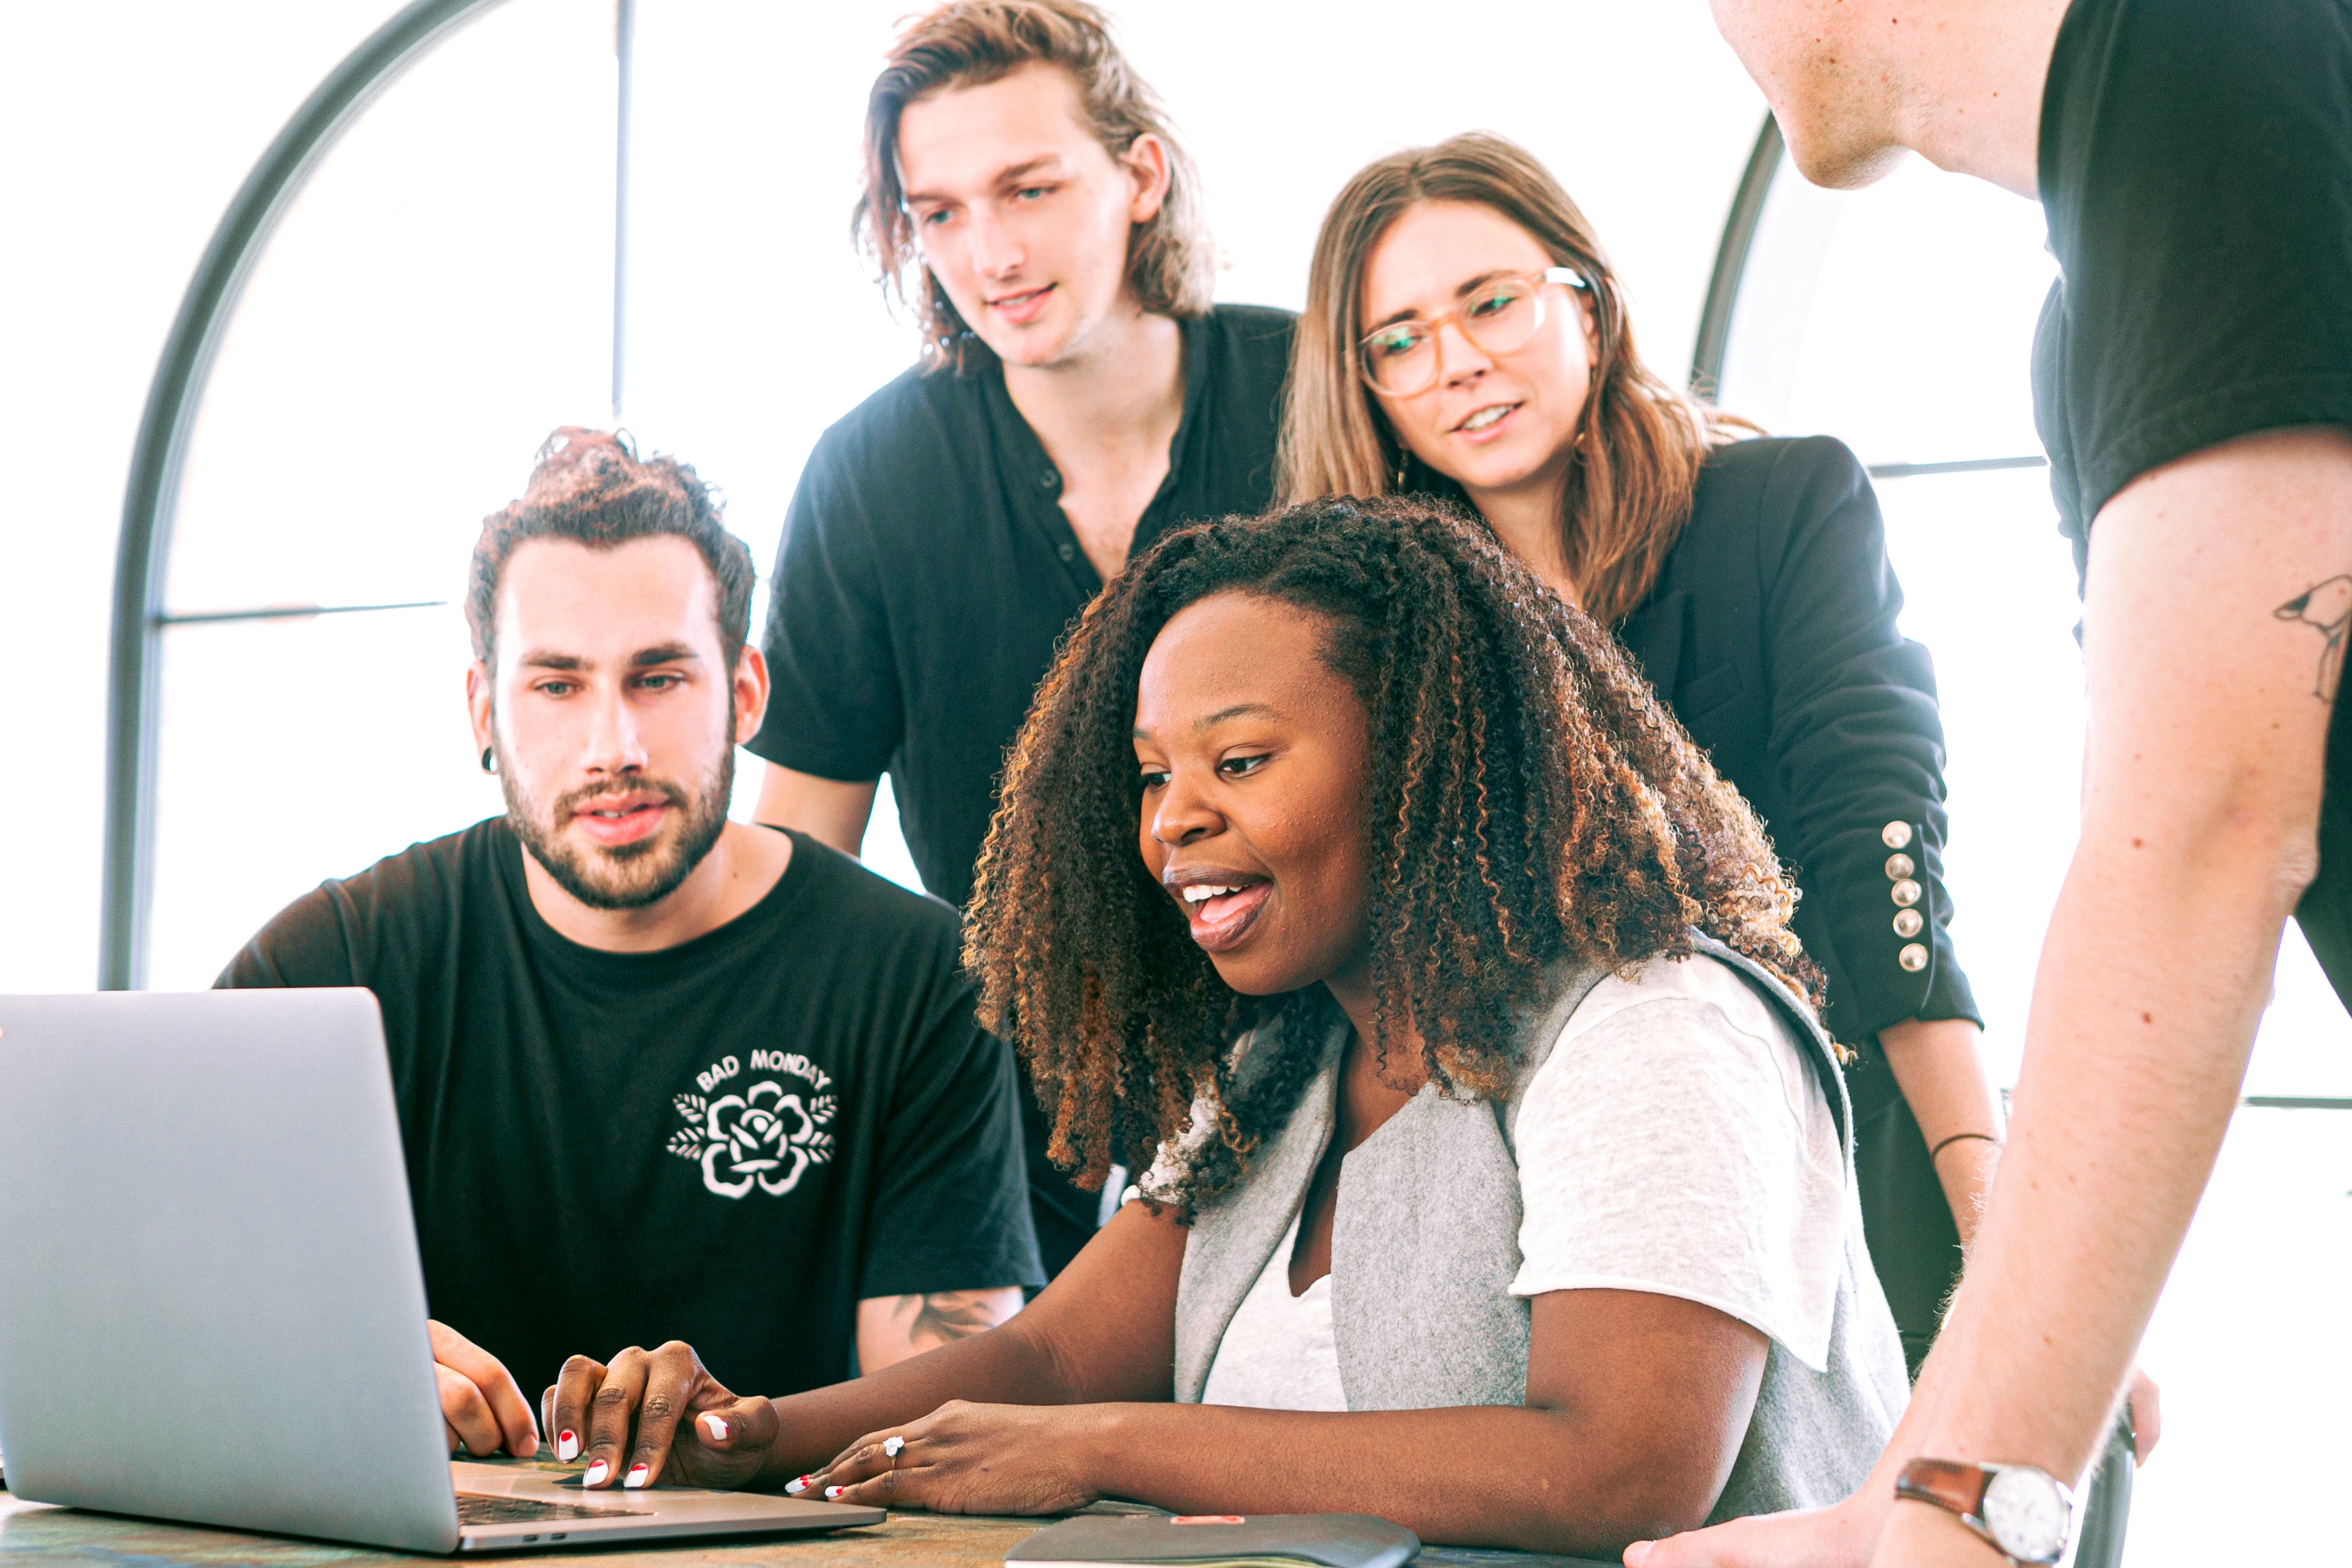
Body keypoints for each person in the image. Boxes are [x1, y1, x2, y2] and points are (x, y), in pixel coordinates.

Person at [528, 497, 1910, 1556]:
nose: (1171, 820)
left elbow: (1619, 1463)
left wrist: (1112, 1449)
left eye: (1238, 761)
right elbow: (1052, 1358)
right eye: (1149, 775)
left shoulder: (1652, 1023)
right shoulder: (1289, 1060)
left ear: (1424, 753)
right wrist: (743, 1436)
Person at [1635, 2, 2352, 1566]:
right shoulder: (2099, 272)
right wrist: (1915, 1486)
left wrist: (1966, 1508)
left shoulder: (2213, 53)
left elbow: (2207, 831)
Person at [1281, 131, 1997, 1371]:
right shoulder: (1367, 633)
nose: (1455, 362)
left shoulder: (1779, 509)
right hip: (1535, 1181)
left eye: (1489, 303)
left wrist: (1987, 1192)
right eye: (1396, 340)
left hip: (1826, 1122)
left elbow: (1880, 841)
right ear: (1369, 393)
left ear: (1591, 305)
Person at [219, 429, 1043, 1471]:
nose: (615, 745)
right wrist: (336, 1365)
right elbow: (158, 1291)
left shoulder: (916, 974)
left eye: (658, 678)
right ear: (484, 710)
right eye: (557, 686)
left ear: (744, 692)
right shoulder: (332, 961)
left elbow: (941, 1421)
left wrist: (739, 1436)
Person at [745, 1, 1295, 1274]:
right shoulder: (869, 476)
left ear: (1139, 173)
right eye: (938, 213)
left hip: (1337, 1071)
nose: (989, 251)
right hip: (1019, 1123)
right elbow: (796, 874)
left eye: (1028, 189)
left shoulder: (1311, 393)